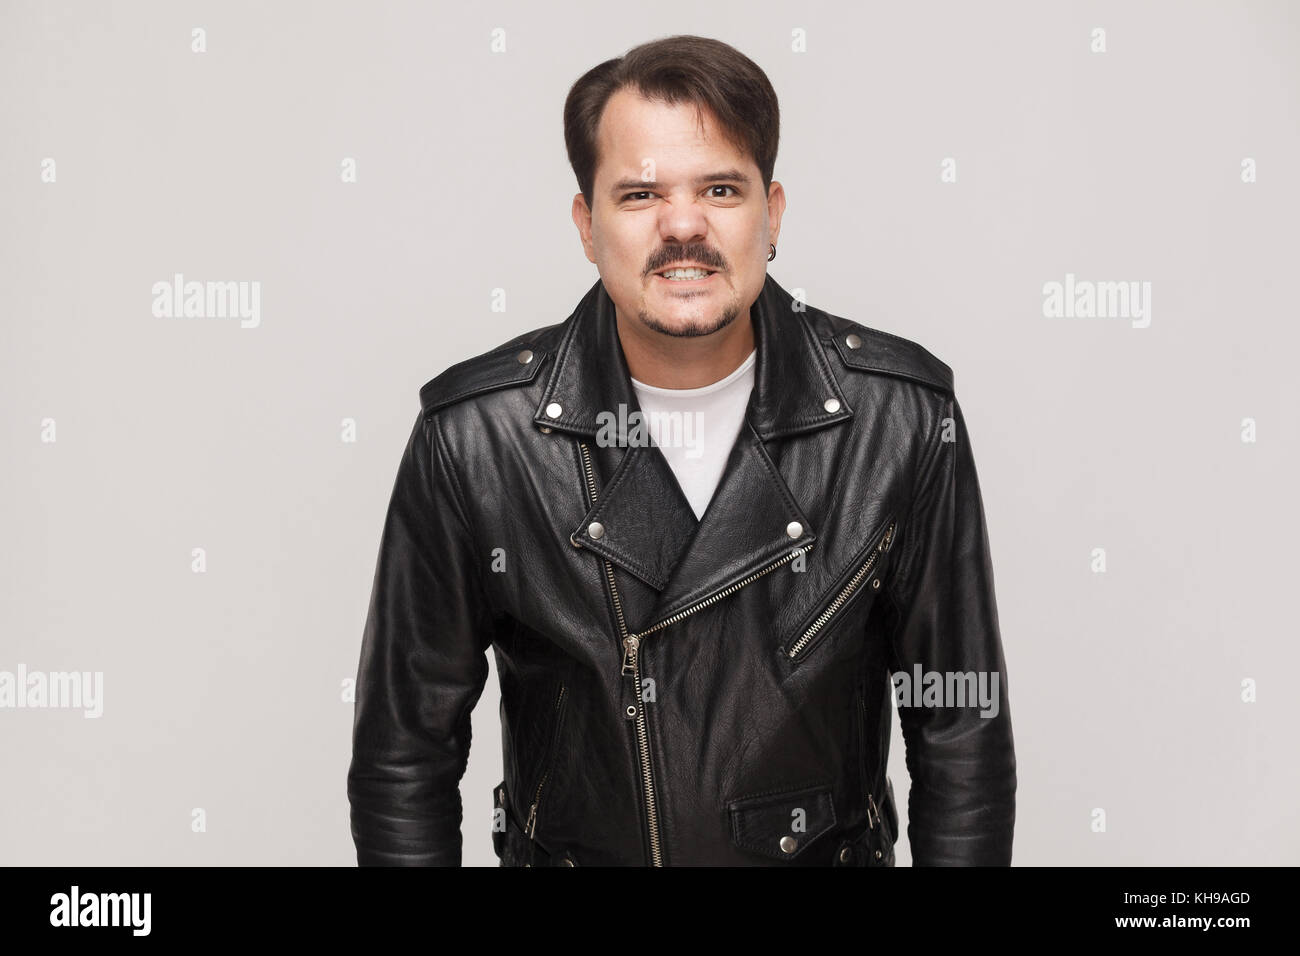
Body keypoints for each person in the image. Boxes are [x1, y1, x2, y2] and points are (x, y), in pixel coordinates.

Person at [347, 34, 1016, 866]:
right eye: (639, 195)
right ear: (587, 226)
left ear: (771, 214)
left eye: (721, 188)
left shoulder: (900, 419)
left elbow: (961, 734)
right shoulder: (478, 438)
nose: (684, 225)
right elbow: (404, 756)